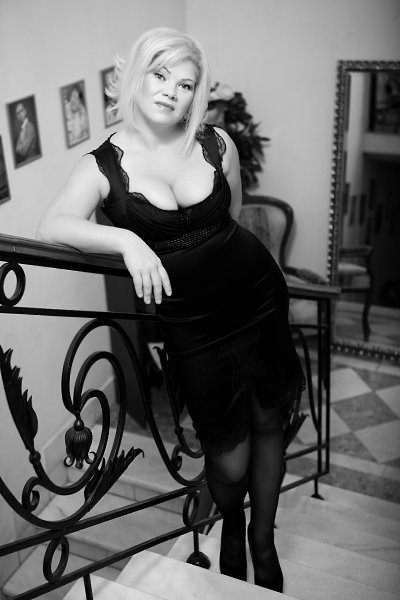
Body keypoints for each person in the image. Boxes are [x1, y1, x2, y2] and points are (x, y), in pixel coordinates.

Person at [37, 27, 305, 593]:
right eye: (160, 76)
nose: (171, 92)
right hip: (194, 327)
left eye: (185, 84)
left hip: (257, 298)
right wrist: (127, 241)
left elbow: (232, 213)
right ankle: (231, 522)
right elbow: (52, 226)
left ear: (195, 95)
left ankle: (261, 540)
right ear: (135, 76)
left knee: (268, 420)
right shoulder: (102, 165)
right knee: (227, 460)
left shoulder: (216, 143)